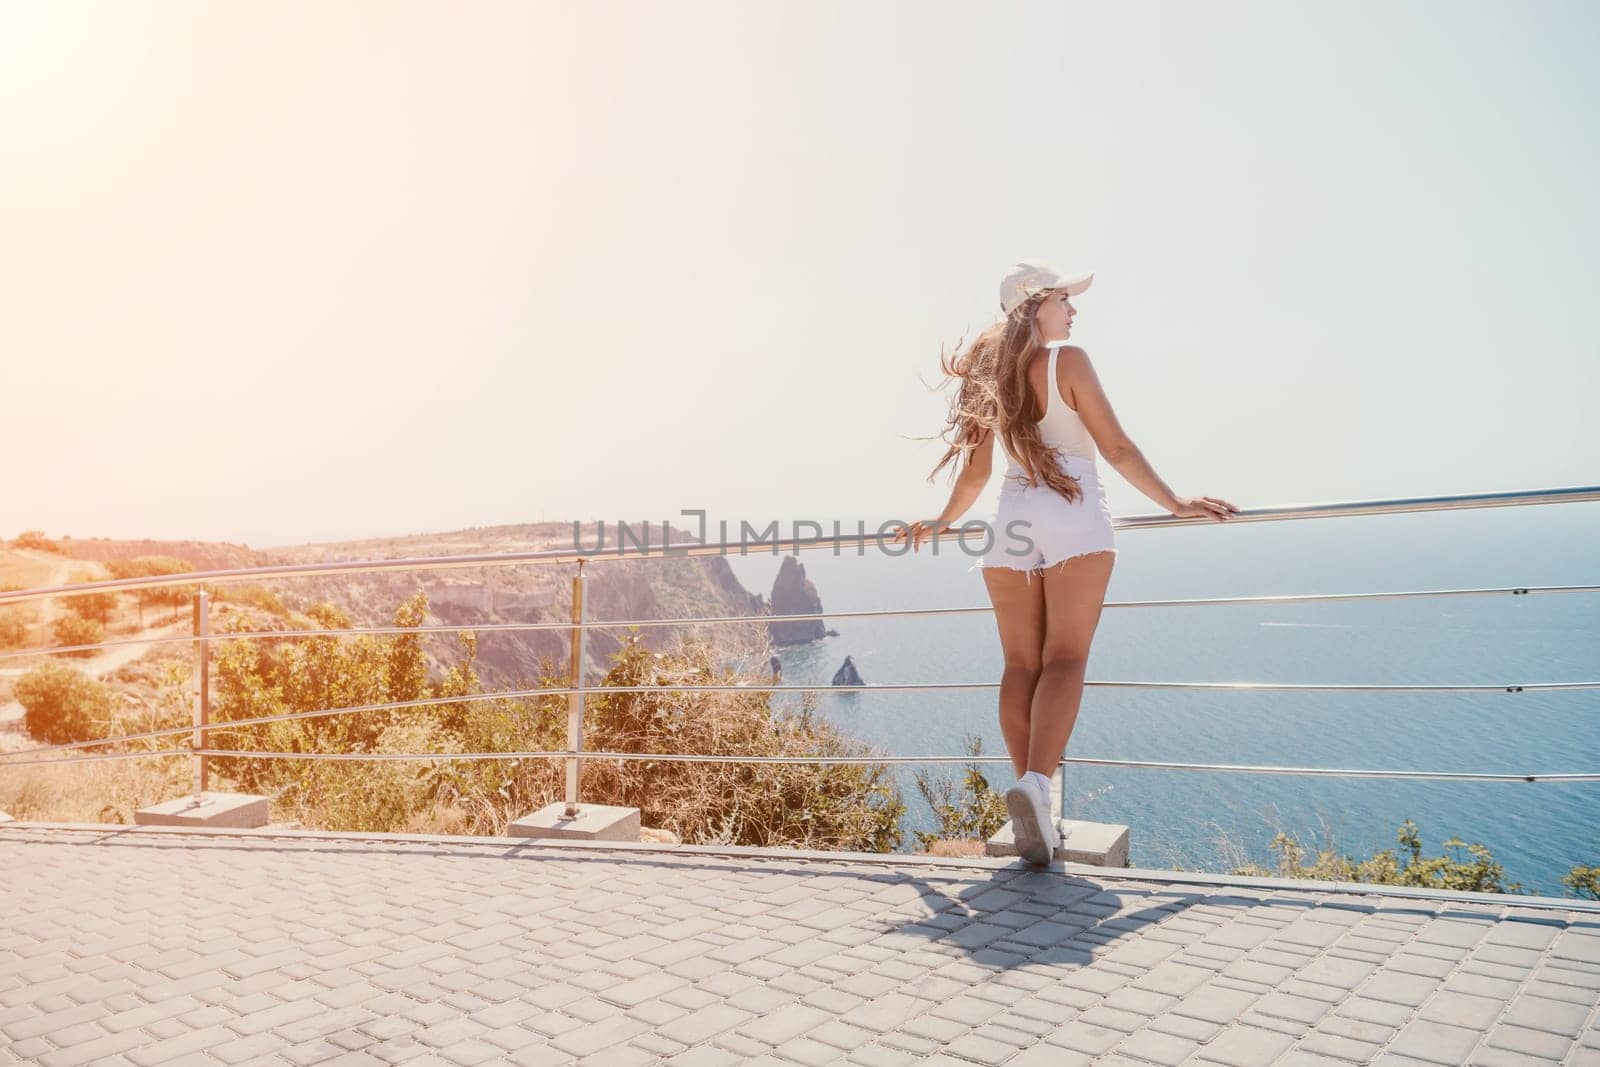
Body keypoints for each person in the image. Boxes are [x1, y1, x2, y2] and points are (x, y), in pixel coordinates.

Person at [891, 262, 1239, 866]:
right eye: (1064, 300)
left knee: (1020, 663)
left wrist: (943, 522)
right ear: (1035, 306)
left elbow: (976, 473)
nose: (1073, 311)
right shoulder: (1067, 361)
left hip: (1012, 524)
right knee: (1066, 659)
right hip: (1074, 517)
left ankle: (1037, 809)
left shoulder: (986, 376)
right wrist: (1175, 502)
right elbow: (1117, 447)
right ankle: (1038, 786)